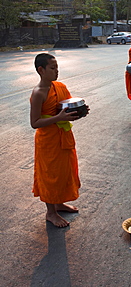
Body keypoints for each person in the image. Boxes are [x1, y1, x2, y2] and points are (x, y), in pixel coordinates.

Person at [30, 53, 89, 228]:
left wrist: (78, 112)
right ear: (41, 70)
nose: (57, 72)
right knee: (51, 175)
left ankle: (59, 203)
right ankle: (50, 213)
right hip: (48, 141)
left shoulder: (60, 86)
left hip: (63, 136)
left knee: (64, 172)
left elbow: (64, 111)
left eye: (57, 68)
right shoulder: (38, 93)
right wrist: (59, 118)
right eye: (52, 68)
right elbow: (34, 123)